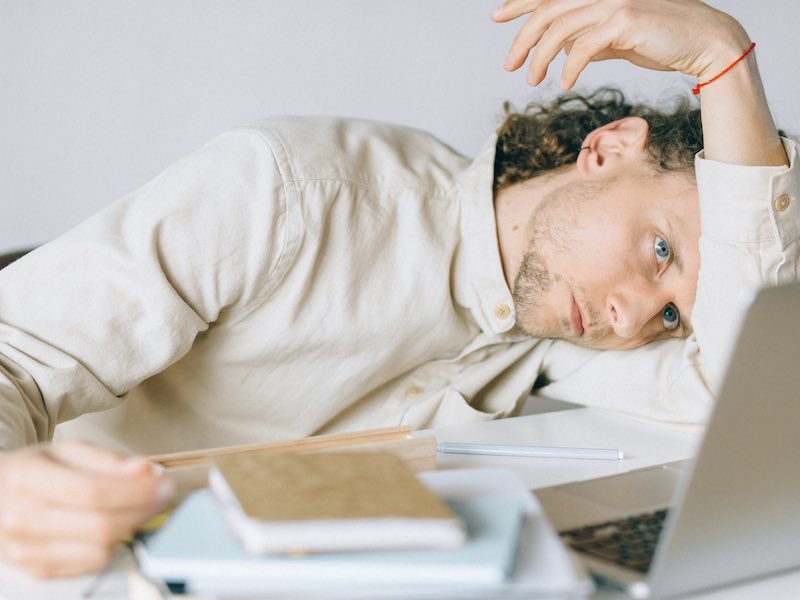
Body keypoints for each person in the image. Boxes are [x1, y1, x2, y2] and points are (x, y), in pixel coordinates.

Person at [0, 0, 796, 579]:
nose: (630, 315)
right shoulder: (288, 192)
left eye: (669, 316)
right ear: (609, 148)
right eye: (659, 249)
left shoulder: (550, 331)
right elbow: (16, 355)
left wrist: (725, 69)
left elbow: (743, 390)